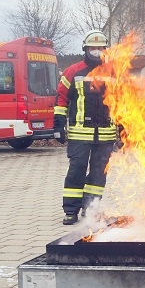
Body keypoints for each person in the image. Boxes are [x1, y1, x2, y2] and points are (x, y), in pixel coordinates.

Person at [53, 30, 118, 225]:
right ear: (85, 49)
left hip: (105, 135)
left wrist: (123, 129)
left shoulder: (114, 73)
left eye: (100, 48)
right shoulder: (73, 71)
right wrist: (58, 125)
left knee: (99, 173)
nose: (97, 52)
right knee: (77, 170)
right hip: (80, 134)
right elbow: (61, 99)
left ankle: (90, 210)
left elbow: (122, 102)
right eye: (93, 48)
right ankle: (70, 211)